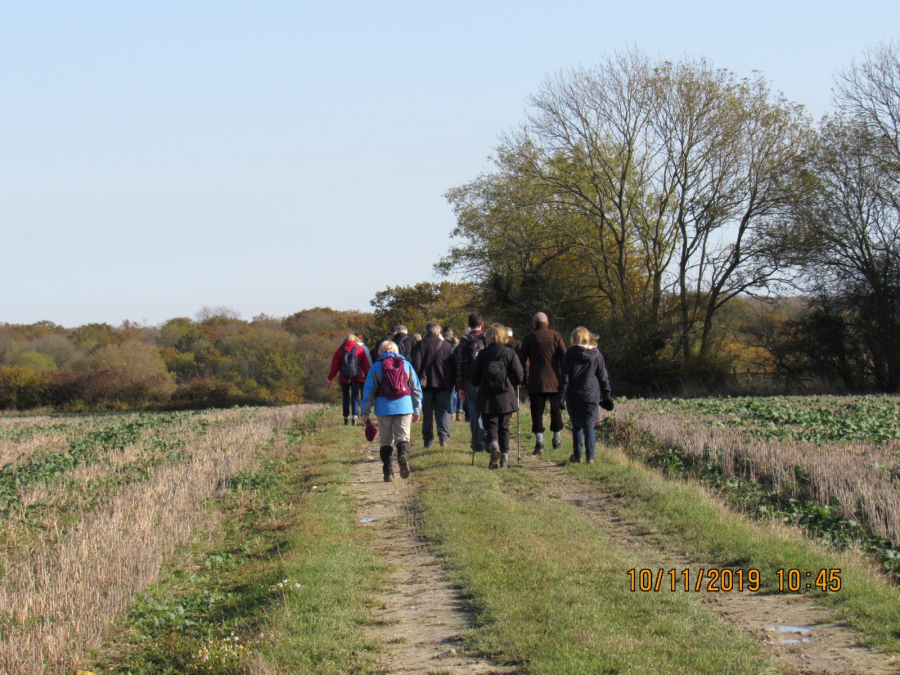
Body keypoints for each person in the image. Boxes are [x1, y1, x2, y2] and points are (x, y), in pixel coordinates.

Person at [361, 341, 422, 482]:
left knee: (385, 440)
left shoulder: (376, 367)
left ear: (380, 352)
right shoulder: (406, 365)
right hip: (404, 406)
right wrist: (417, 409)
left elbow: (369, 390)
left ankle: (388, 471)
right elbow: (416, 388)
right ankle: (403, 454)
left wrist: (365, 411)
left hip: (383, 408)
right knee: (403, 437)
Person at [468, 323, 524, 469]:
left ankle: (493, 446)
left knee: (491, 425)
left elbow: (474, 377)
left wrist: (476, 382)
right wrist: (515, 382)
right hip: (505, 396)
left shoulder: (483, 354)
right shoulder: (509, 353)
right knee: (504, 427)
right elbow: (519, 375)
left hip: (487, 396)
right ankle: (504, 458)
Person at [558, 327, 613, 464]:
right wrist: (607, 395)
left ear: (574, 338)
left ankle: (577, 455)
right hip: (591, 393)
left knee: (576, 424)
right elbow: (603, 377)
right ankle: (591, 457)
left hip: (574, 393)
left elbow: (565, 377)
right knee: (589, 424)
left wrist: (561, 396)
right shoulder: (596, 354)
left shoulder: (570, 354)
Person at [518, 312, 567, 454]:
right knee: (556, 411)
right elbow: (565, 357)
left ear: (534, 323)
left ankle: (539, 443)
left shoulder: (529, 338)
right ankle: (557, 440)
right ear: (547, 323)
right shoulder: (556, 336)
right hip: (554, 381)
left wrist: (522, 379)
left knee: (537, 412)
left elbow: (520, 360)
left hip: (536, 381)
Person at [411, 321, 456, 448]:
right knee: (444, 412)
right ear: (438, 332)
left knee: (427, 414)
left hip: (425, 385)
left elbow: (416, 366)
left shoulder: (420, 345)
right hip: (443, 384)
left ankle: (428, 441)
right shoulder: (446, 346)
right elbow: (454, 365)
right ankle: (444, 439)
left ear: (425, 331)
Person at [456, 313, 487, 453]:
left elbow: (460, 365)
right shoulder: (486, 338)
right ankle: (487, 437)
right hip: (486, 380)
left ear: (468, 325)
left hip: (471, 381)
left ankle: (477, 443)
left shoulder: (464, 340)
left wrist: (460, 387)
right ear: (482, 324)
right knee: (486, 410)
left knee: (474, 412)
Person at [327, 334, 371, 425]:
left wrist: (330, 378)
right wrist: (369, 377)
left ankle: (346, 418)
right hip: (357, 377)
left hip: (344, 378)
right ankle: (355, 416)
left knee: (345, 397)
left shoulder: (340, 349)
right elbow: (366, 365)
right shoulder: (359, 349)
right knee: (355, 397)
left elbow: (335, 366)